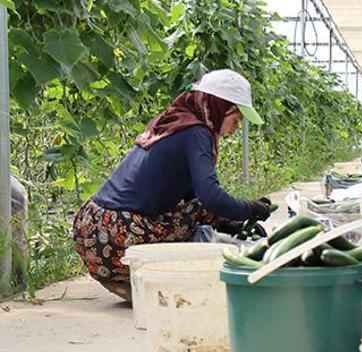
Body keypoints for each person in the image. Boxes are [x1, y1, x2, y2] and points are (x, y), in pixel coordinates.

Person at [72, 69, 270, 302]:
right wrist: (250, 209)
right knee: (201, 213)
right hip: (118, 236)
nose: (234, 130)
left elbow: (191, 192)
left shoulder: (172, 121)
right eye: (235, 120)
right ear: (219, 108)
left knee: (201, 211)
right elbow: (210, 196)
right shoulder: (197, 132)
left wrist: (229, 223)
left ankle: (124, 278)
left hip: (92, 231)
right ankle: (139, 276)